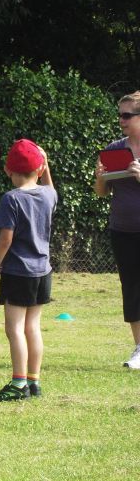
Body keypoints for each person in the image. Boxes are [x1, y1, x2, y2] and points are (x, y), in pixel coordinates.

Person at [0, 139, 56, 401]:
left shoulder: (11, 199)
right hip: (43, 271)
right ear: (39, 169)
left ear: (7, 169)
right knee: (32, 326)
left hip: (18, 272)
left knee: (14, 329)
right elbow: (49, 185)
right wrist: (45, 166)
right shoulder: (49, 195)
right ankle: (34, 381)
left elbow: (5, 240)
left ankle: (18, 384)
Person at [94, 91, 140, 369]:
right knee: (132, 289)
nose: (121, 120)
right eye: (119, 115)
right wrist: (99, 178)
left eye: (126, 115)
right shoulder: (113, 150)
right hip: (122, 231)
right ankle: (139, 348)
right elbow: (101, 193)